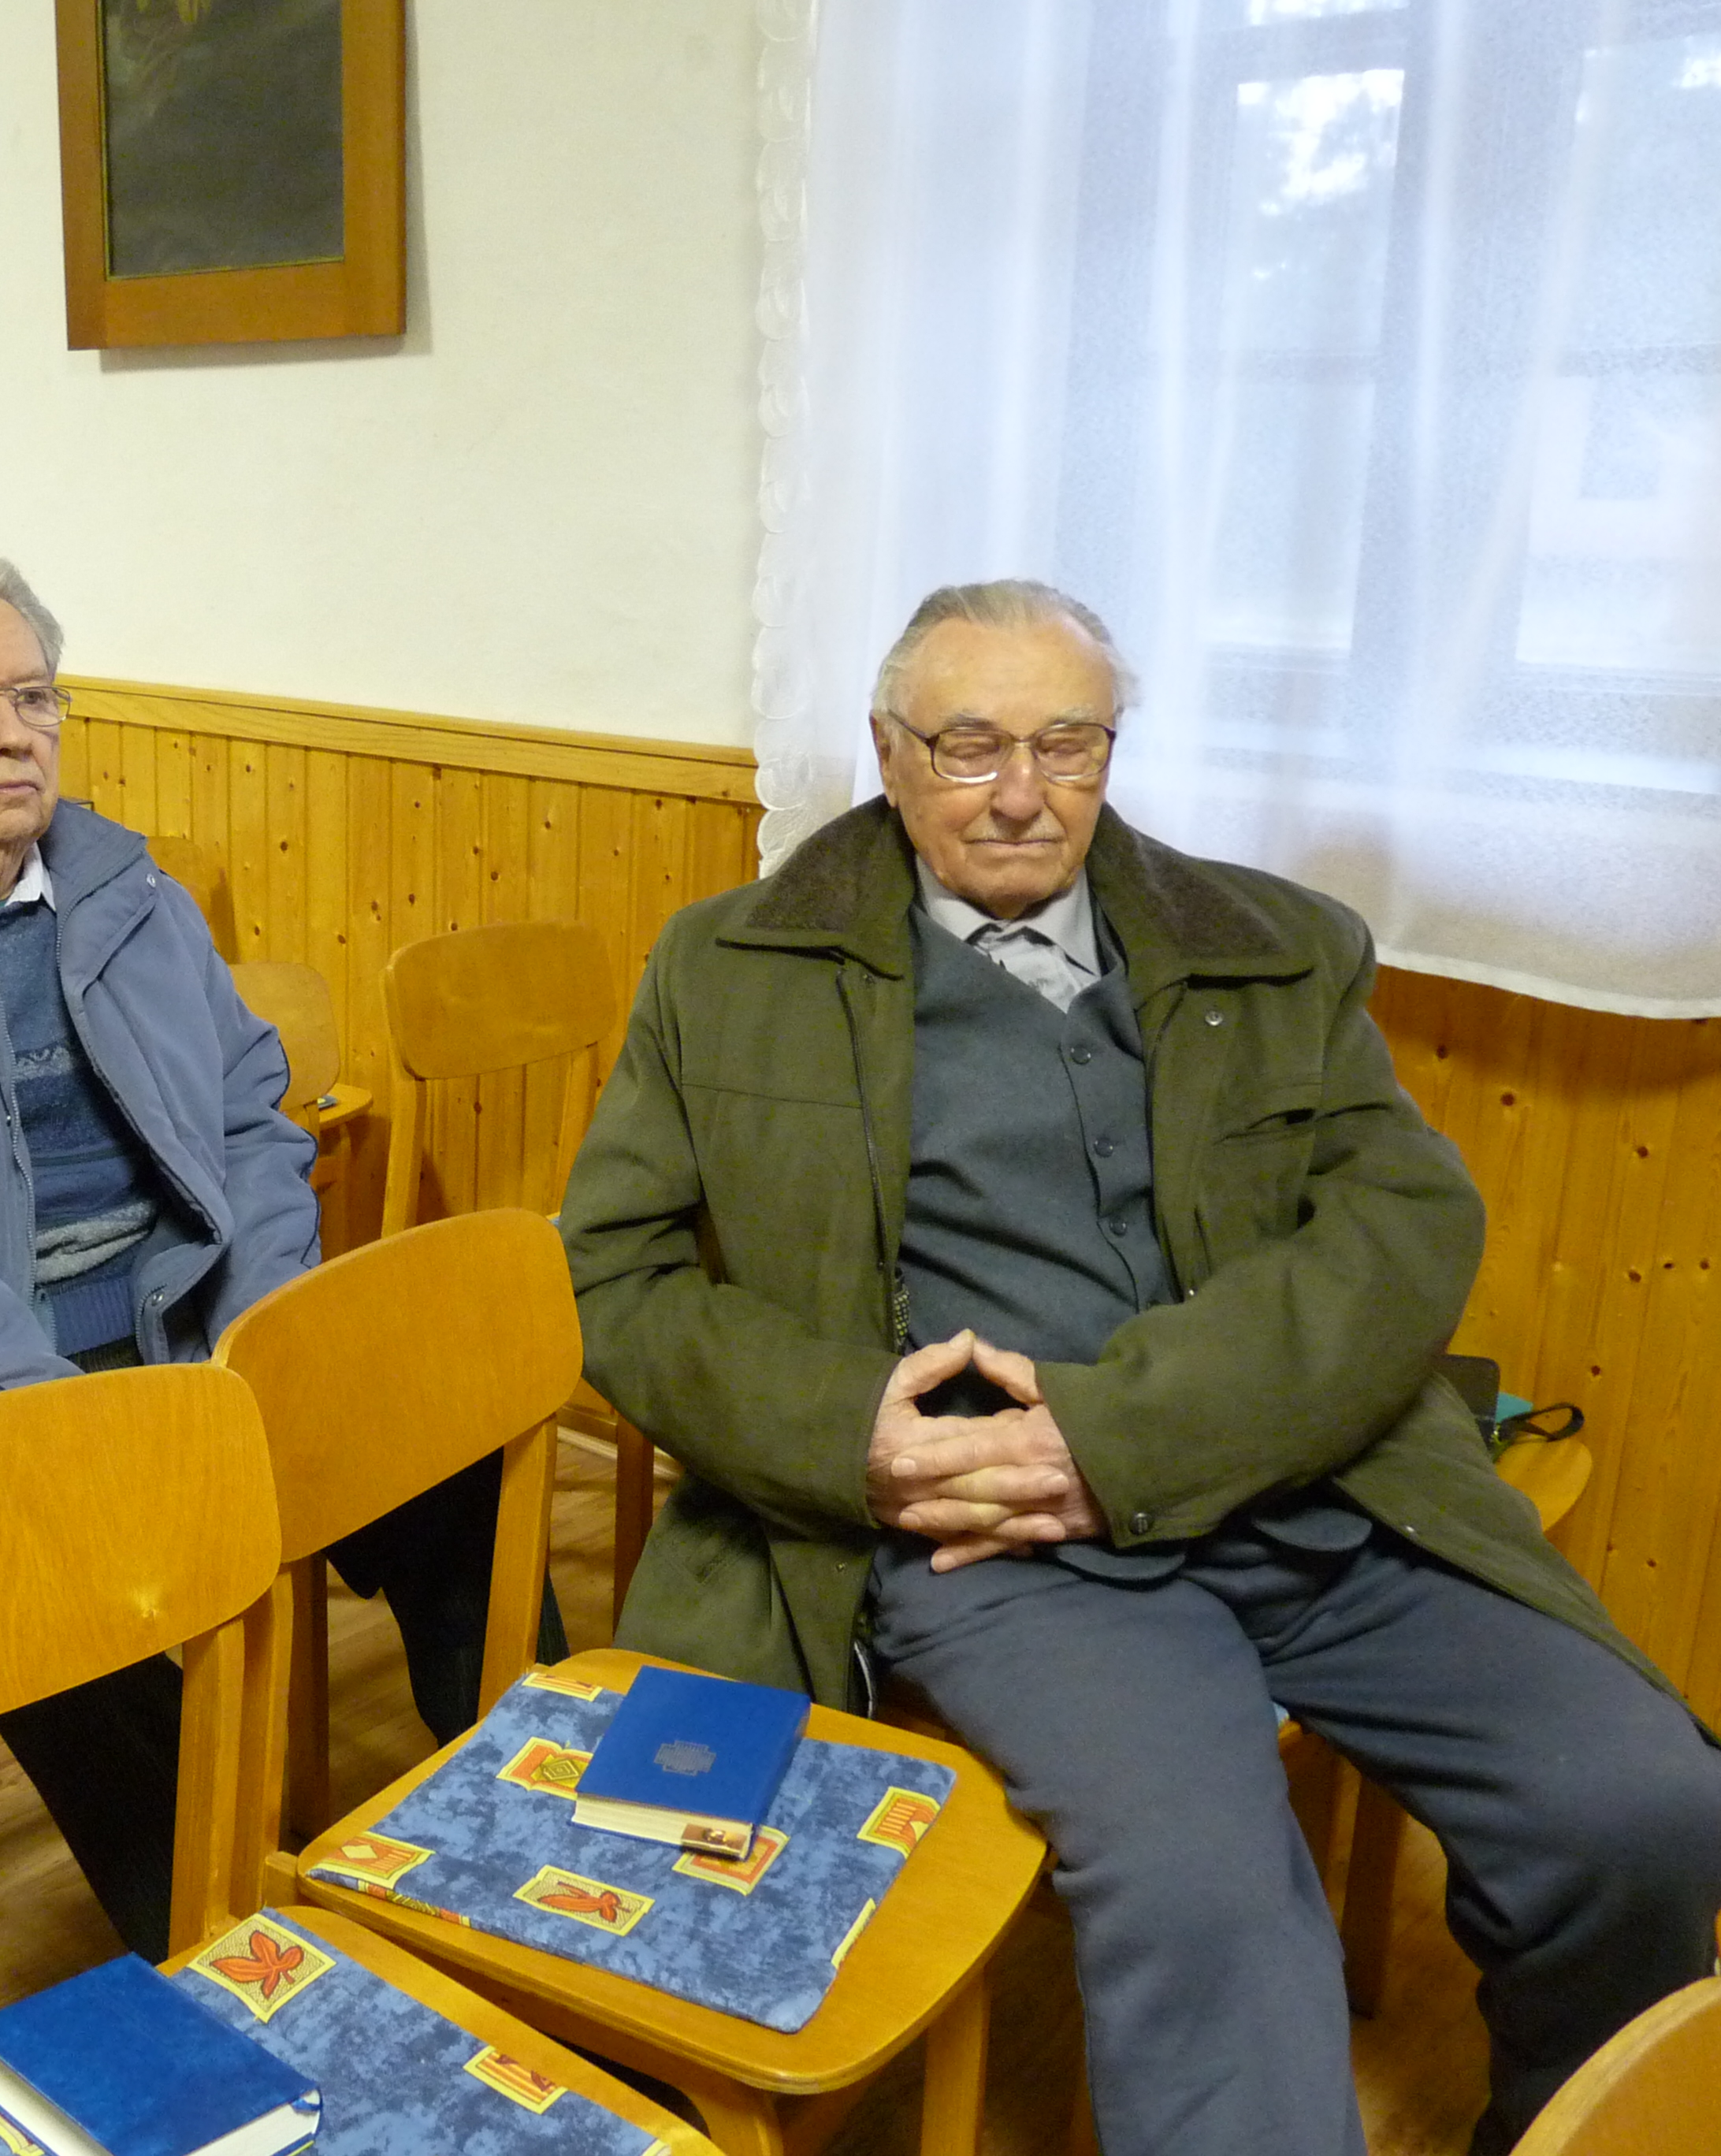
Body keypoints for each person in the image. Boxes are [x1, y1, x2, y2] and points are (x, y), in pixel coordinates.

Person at [559, 578, 1721, 2156]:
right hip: (996, 1538)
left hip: (1310, 1476)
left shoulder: (1271, 946)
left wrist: (1121, 1433)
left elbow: (1406, 1220)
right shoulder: (728, 967)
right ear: (888, 753)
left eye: (1068, 744)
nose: (1021, 793)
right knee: (1209, 1902)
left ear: (1112, 751)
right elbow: (619, 1274)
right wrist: (851, 1434)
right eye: (970, 746)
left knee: (1644, 1804)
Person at [0, 535, 556, 1968]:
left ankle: (552, 1884)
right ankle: (236, 1967)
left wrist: (267, 1341)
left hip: (175, 1350)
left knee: (445, 1461)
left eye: (35, 696)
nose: (12, 734)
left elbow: (250, 1115)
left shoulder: (118, 888)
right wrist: (88, 1444)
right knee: (65, 1608)